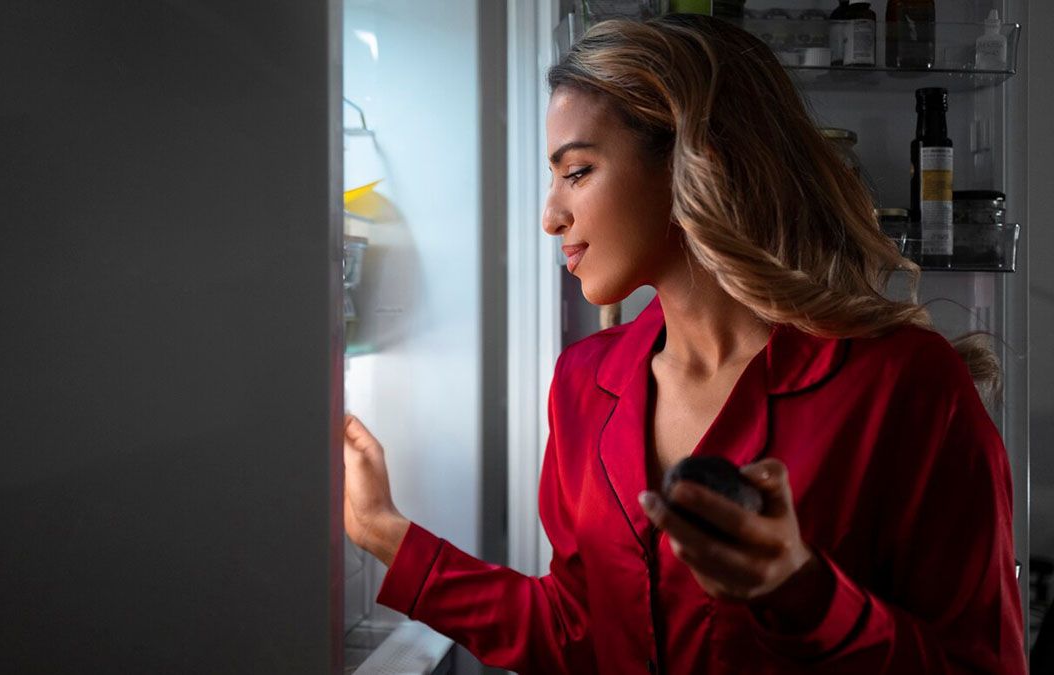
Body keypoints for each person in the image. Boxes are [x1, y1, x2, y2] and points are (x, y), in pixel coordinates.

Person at [342, 13, 1026, 674]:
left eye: (576, 171)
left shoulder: (906, 386)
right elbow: (577, 632)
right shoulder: (584, 383)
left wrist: (806, 593)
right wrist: (381, 529)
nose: (551, 215)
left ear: (693, 162)